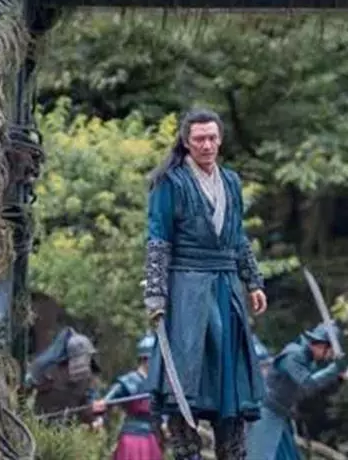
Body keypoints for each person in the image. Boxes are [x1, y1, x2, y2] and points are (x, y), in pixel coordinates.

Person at [143, 108, 267, 459]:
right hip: (187, 289)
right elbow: (158, 239)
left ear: (220, 140)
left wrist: (253, 280)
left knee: (231, 384)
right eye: (199, 139)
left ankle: (232, 451)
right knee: (186, 378)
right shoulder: (170, 182)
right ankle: (186, 451)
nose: (207, 145)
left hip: (227, 288)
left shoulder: (231, 182)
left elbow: (238, 236)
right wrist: (155, 294)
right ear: (187, 142)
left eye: (212, 138)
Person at [246, 323, 348, 460]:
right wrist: (334, 369)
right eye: (330, 352)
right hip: (266, 412)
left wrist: (337, 378)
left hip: (280, 414)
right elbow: (308, 383)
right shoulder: (293, 355)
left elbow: (306, 391)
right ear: (322, 345)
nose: (330, 356)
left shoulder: (308, 360)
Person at [92, 332, 163, 460]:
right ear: (146, 360)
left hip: (151, 437)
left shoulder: (157, 384)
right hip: (132, 437)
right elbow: (106, 402)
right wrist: (100, 412)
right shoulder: (129, 381)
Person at [25, 326, 100, 426]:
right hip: (40, 424)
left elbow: (85, 408)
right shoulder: (49, 370)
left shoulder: (86, 381)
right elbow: (26, 390)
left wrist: (94, 419)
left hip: (65, 428)